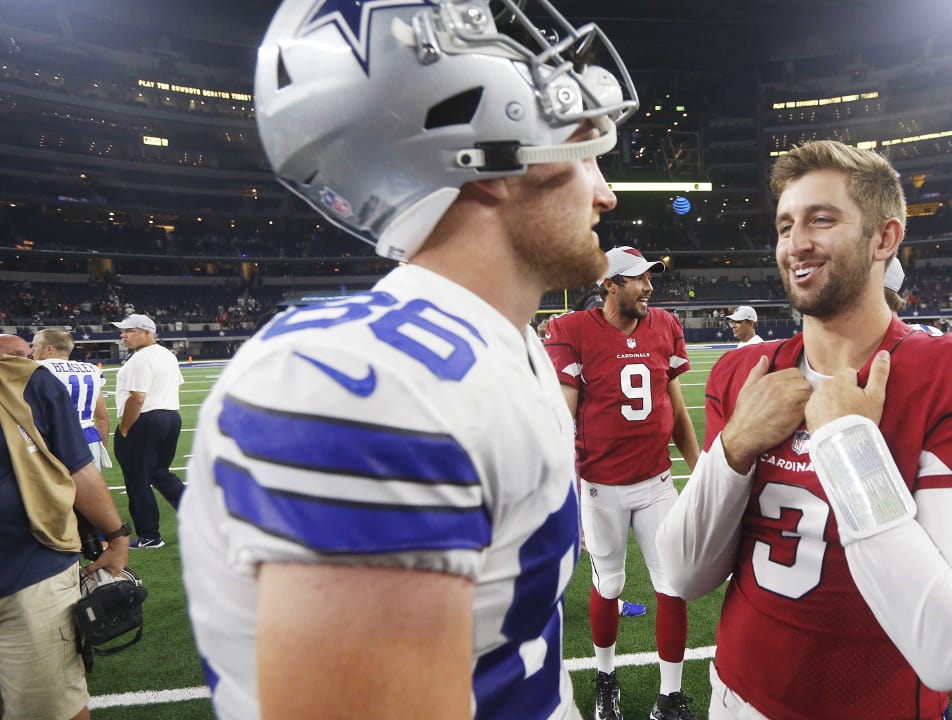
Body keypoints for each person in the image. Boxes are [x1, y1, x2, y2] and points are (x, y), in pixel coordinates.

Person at [176, 0, 638, 717]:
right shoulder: (363, 385)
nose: (605, 192)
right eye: (580, 147)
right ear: (493, 160)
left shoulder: (504, 344)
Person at [656, 141, 952, 720]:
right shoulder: (745, 374)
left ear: (884, 238)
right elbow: (682, 574)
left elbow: (951, 652)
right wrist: (735, 445)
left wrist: (846, 447)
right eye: (785, 225)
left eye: (821, 219)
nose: (796, 242)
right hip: (735, 696)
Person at [544, 246, 701, 720]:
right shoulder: (571, 330)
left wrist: (702, 473)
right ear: (609, 284)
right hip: (601, 487)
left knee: (672, 584)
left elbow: (674, 411)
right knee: (609, 585)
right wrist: (570, 504)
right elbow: (562, 423)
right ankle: (605, 677)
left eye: (650, 278)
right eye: (637, 279)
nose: (649, 286)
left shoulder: (665, 326)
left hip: (655, 482)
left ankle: (669, 698)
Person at [0, 336, 130, 720]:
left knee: (49, 706)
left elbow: (78, 470)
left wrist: (115, 533)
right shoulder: (78, 372)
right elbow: (96, 429)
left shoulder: (29, 382)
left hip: (28, 569)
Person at [111, 313, 183, 549]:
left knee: (138, 480)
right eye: (123, 330)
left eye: (129, 330)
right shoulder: (166, 354)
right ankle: (199, 513)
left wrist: (124, 427)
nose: (123, 334)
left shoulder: (140, 359)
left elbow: (137, 397)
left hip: (145, 419)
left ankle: (150, 535)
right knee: (160, 473)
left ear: (147, 332)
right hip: (171, 415)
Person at [32, 329, 112, 470]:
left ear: (49, 348)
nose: (32, 351)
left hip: (55, 441)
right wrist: (101, 448)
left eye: (35, 346)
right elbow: (102, 418)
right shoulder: (91, 369)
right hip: (89, 439)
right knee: (89, 491)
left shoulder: (38, 368)